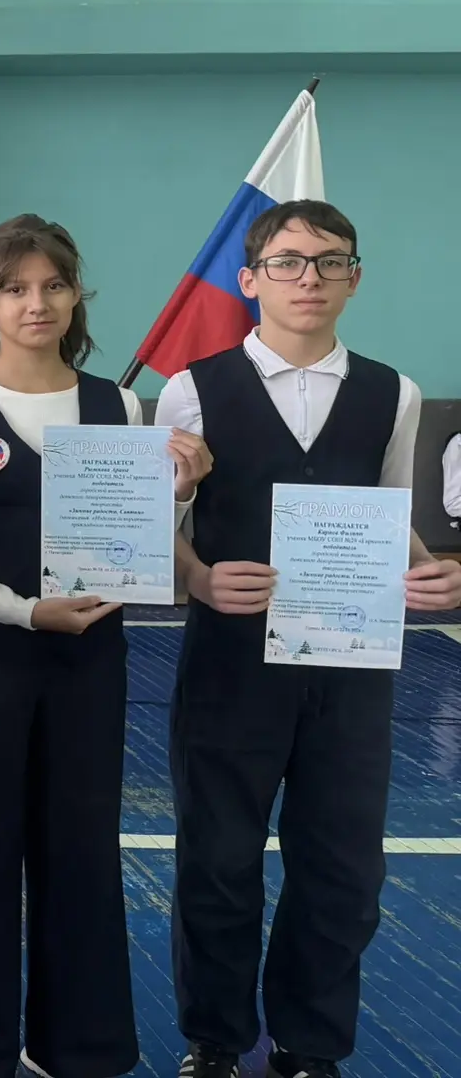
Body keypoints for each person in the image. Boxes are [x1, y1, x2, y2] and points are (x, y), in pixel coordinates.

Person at [160, 199, 461, 1078]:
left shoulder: (393, 392)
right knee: (218, 862)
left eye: (331, 262)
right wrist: (198, 578)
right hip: (229, 664)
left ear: (354, 279)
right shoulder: (191, 389)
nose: (310, 278)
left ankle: (309, 1045)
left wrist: (438, 572)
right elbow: (151, 524)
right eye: (288, 262)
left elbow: (393, 518)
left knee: (342, 869)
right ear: (250, 279)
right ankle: (214, 1041)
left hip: (351, 669)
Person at [0, 215, 210, 1078]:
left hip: (88, 663)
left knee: (79, 849)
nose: (35, 303)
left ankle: (76, 1047)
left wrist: (180, 494)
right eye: (14, 288)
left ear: (77, 296)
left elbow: (138, 537)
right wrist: (24, 611)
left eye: (53, 286)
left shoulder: (117, 406)